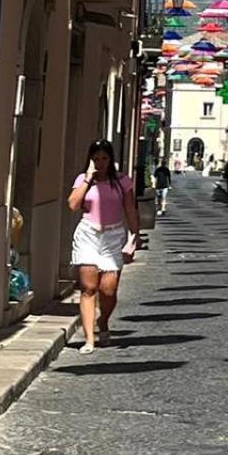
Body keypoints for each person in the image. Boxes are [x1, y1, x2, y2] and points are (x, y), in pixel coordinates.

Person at [67, 139, 139, 354]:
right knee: (88, 288)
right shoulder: (83, 179)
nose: (100, 163)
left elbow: (130, 210)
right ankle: (89, 339)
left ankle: (103, 321)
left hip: (113, 236)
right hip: (88, 234)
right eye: (96, 159)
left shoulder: (121, 181)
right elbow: (72, 205)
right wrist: (88, 179)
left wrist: (134, 238)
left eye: (104, 158)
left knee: (108, 288)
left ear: (111, 159)